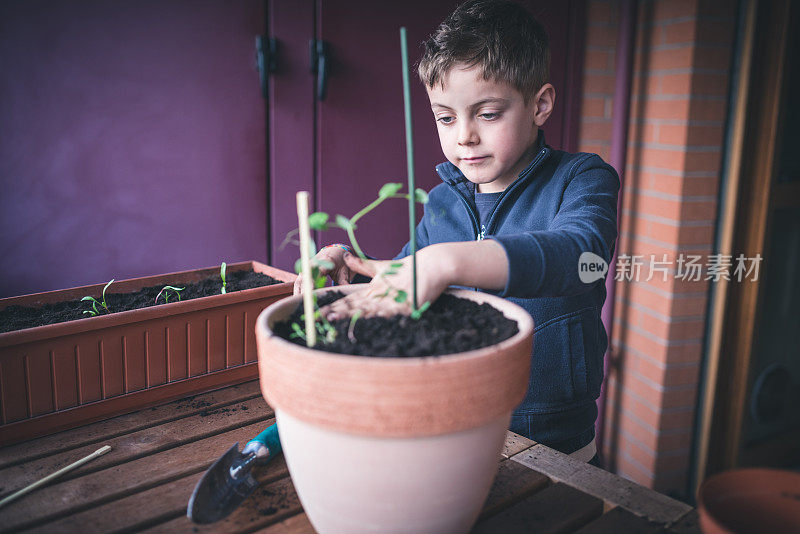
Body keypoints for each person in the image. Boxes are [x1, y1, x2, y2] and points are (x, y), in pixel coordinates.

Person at [294, 0, 619, 465]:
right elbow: (408, 279)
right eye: (446, 118)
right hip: (452, 424)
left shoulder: (582, 179)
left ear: (540, 104)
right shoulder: (444, 200)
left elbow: (581, 258)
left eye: (487, 114)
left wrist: (450, 262)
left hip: (552, 439)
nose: (463, 136)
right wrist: (346, 261)